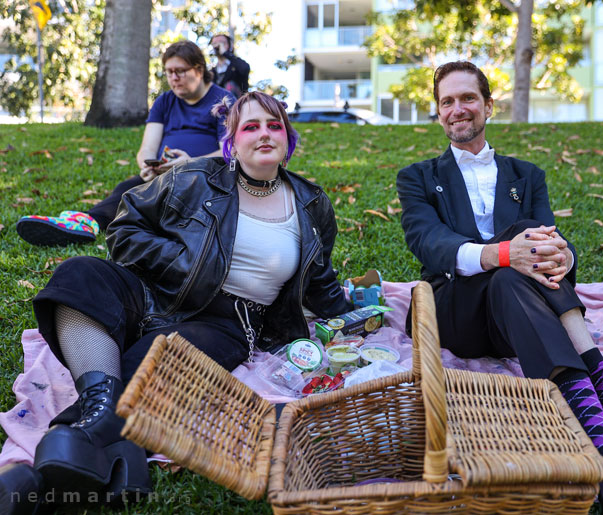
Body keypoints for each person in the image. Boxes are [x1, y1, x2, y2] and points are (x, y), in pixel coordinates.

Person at [0, 91, 351, 511]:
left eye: (274, 126)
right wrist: (185, 265)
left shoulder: (311, 204)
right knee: (79, 274)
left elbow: (320, 278)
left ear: (288, 139)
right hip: (156, 292)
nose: (263, 134)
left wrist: (357, 315)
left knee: (149, 367)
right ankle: (106, 441)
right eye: (250, 126)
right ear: (232, 140)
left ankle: (64, 461)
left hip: (228, 321)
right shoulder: (195, 177)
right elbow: (125, 227)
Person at [396, 61, 603, 515]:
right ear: (438, 114)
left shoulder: (526, 174)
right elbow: (431, 244)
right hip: (458, 312)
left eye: (468, 98)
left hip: (514, 310)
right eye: (447, 102)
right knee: (517, 249)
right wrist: (503, 254)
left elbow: (551, 242)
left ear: (489, 106)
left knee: (527, 247)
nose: (458, 109)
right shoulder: (416, 177)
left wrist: (565, 256)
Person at [16, 40, 236, 247]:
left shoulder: (223, 101)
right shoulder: (165, 101)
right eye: (169, 72)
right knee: (127, 190)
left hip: (202, 177)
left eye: (180, 71)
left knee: (155, 201)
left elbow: (229, 152)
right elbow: (147, 148)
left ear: (199, 69)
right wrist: (148, 166)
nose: (174, 78)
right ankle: (85, 224)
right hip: (164, 175)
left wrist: (190, 163)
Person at [210, 33, 250, 98]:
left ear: (229, 45)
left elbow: (245, 68)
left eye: (222, 43)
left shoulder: (236, 65)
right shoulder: (212, 72)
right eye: (214, 43)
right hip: (217, 104)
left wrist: (226, 53)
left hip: (237, 104)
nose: (217, 46)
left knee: (230, 85)